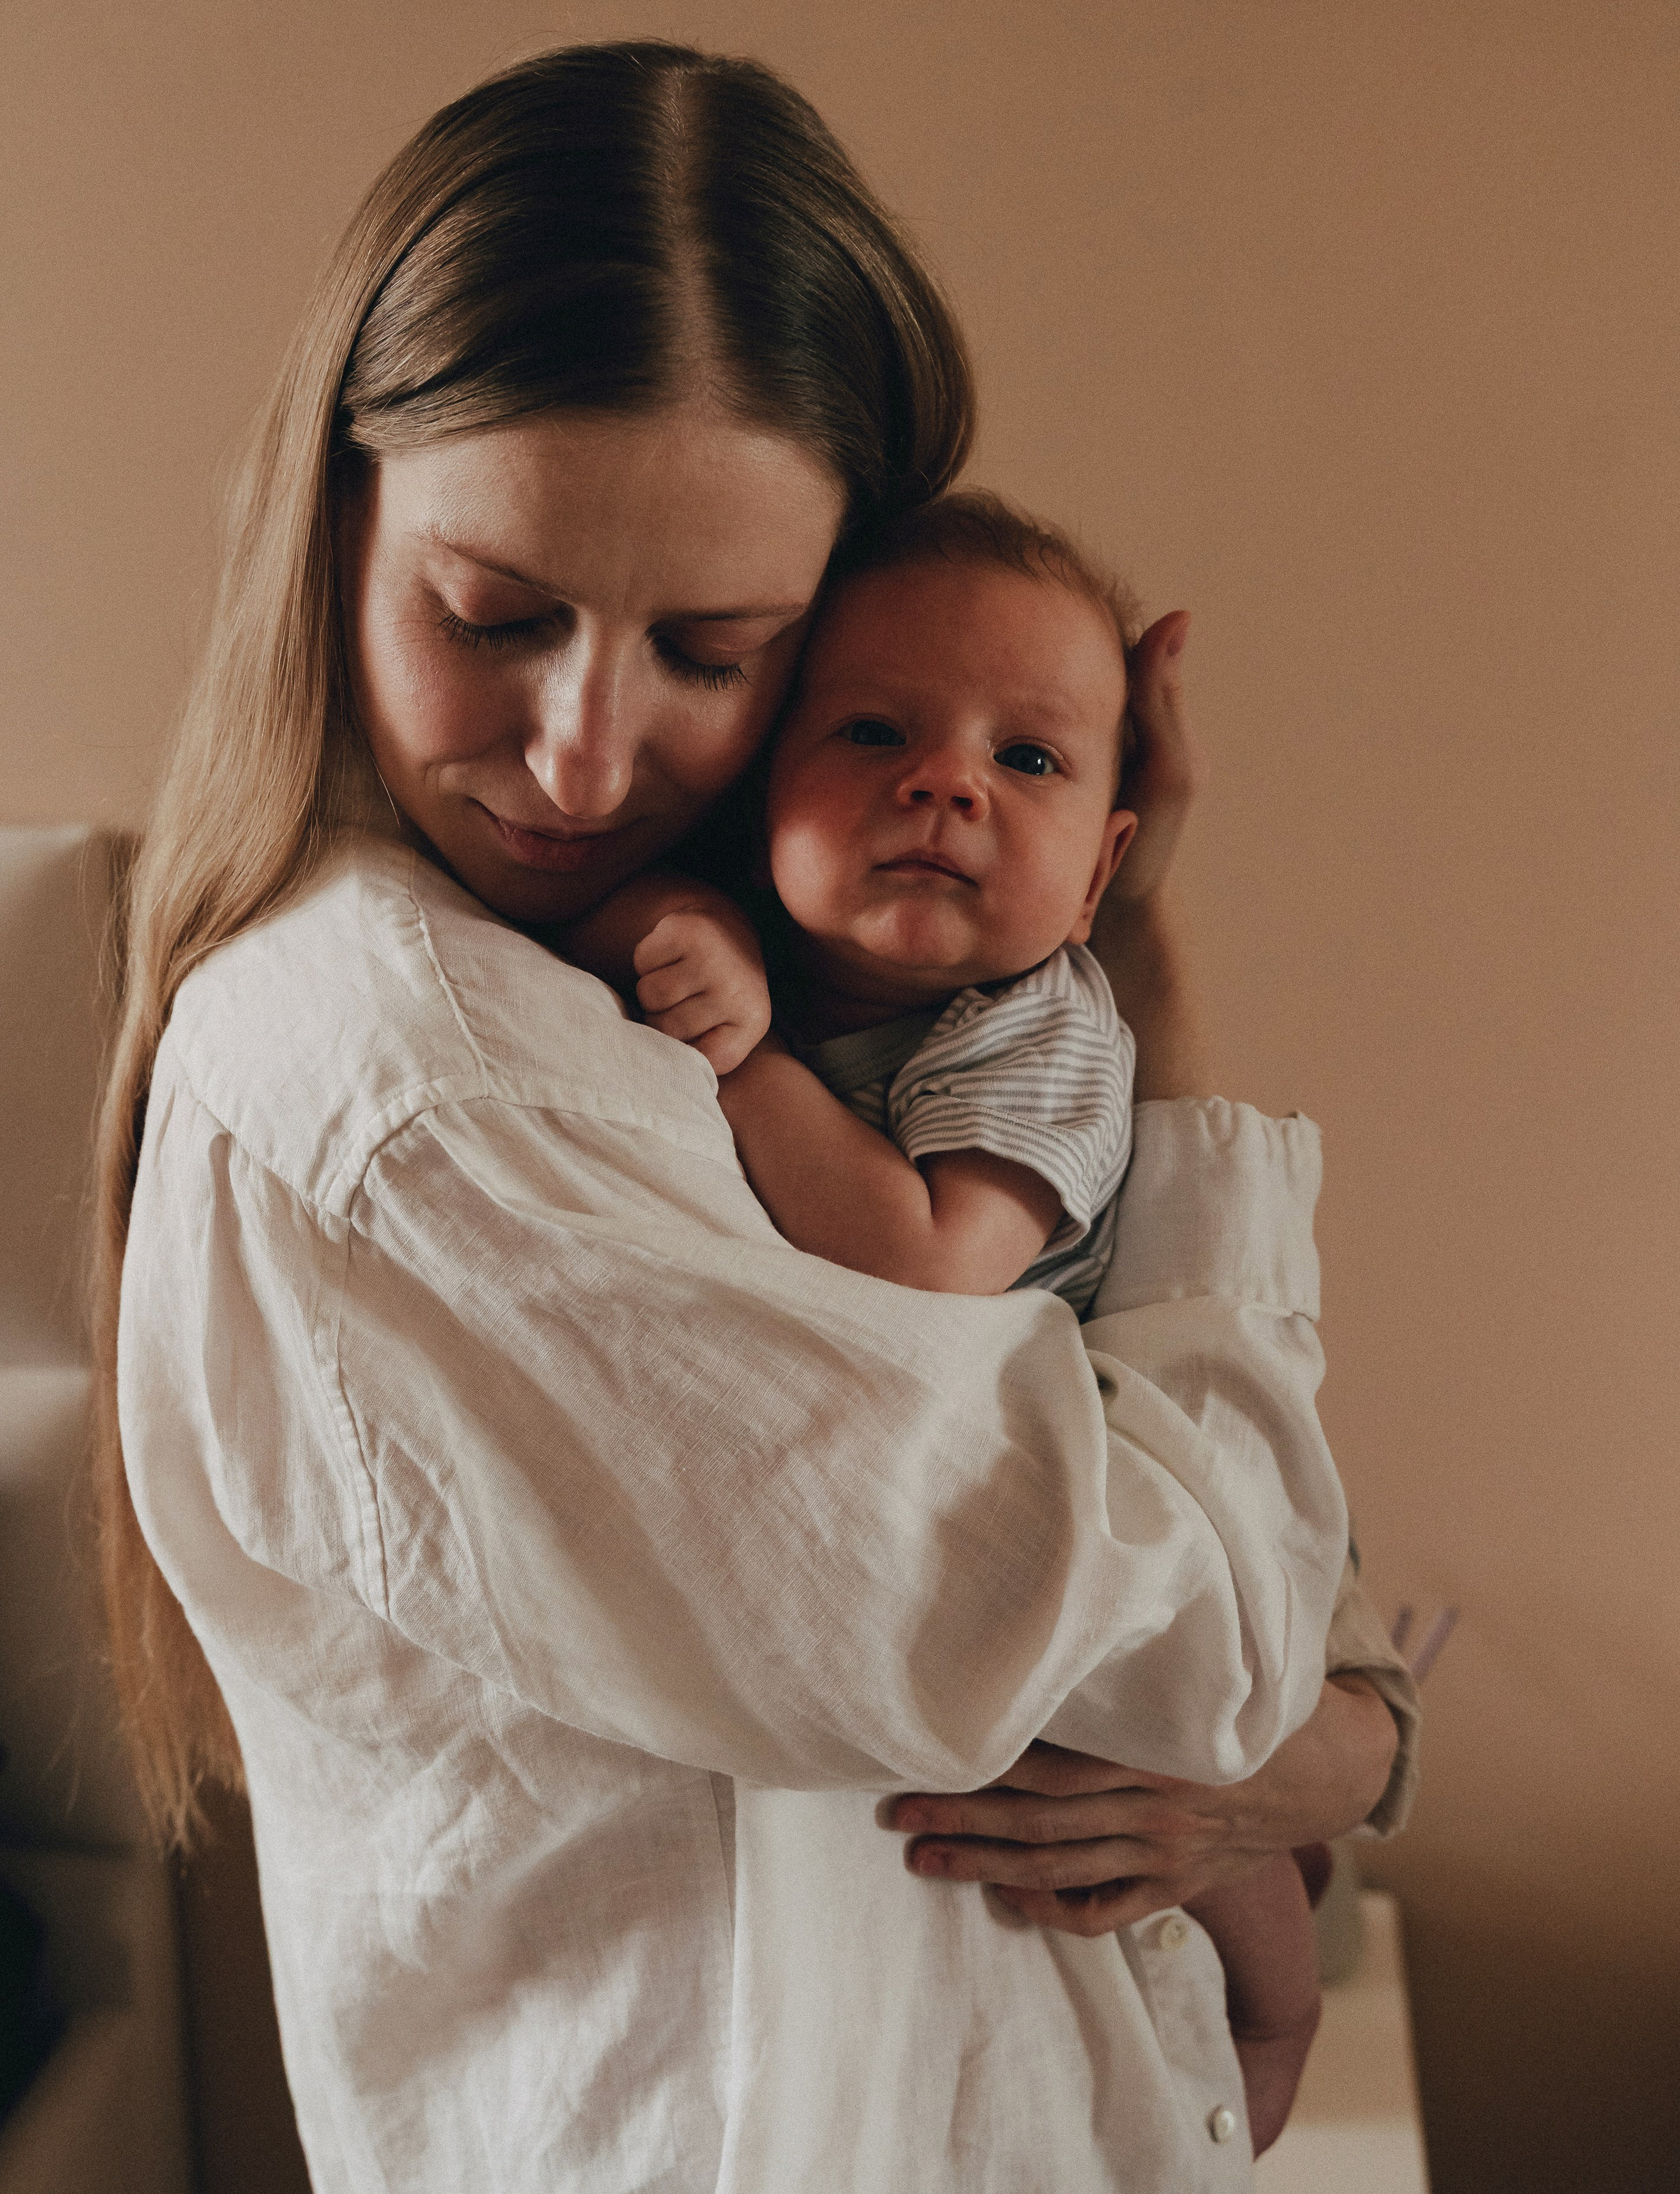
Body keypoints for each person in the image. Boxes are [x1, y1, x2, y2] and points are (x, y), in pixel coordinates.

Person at [92, 41, 1417, 2194]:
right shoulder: (414, 1091)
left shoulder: (703, 986)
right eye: (491, 615)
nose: (586, 754)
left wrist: (1099, 945)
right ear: (329, 526)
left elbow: (1277, 1667)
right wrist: (1315, 1736)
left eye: (715, 649)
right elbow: (1186, 1639)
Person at [557, 487, 1330, 2151]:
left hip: (1102, 1490)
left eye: (1028, 762)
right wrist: (669, 934)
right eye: (871, 731)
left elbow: (922, 1265)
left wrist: (739, 1059)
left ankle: (1278, 1998)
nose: (944, 781)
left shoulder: (1036, 1030)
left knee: (1189, 1780)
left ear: (1102, 869)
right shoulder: (761, 937)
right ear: (764, 779)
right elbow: (598, 927)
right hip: (930, 1556)